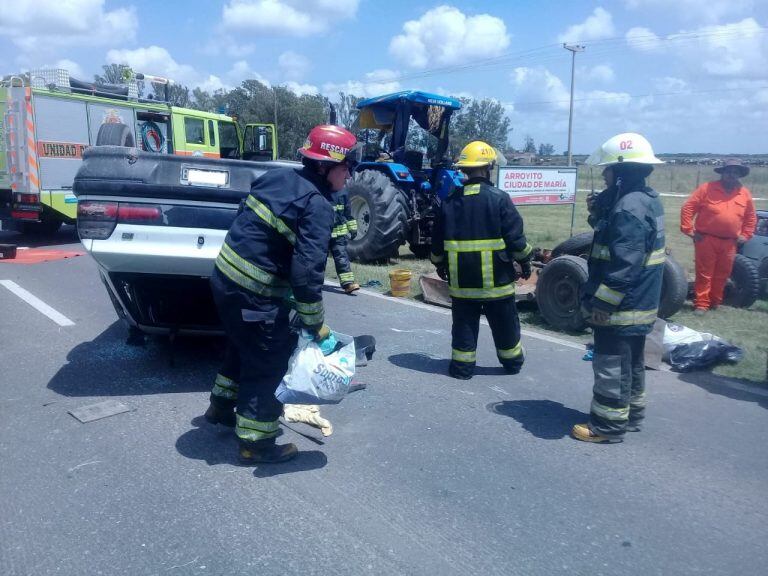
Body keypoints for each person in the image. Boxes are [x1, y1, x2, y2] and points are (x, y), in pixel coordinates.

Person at [204, 124, 360, 464]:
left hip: (225, 281)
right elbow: (307, 275)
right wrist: (315, 325)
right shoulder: (318, 206)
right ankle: (255, 444)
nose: (349, 175)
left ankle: (220, 407)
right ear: (326, 165)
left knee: (242, 346)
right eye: (348, 166)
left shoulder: (276, 177)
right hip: (255, 294)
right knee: (268, 362)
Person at [572, 132, 665, 444]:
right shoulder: (645, 200)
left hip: (622, 305)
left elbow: (624, 263)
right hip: (641, 302)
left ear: (621, 172)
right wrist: (600, 209)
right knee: (632, 361)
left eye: (607, 170)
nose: (603, 175)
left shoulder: (628, 208)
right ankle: (631, 415)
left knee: (611, 363)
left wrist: (603, 304)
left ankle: (607, 426)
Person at [430, 141, 532, 380]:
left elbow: (437, 245)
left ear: (465, 169)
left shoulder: (450, 201)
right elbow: (516, 239)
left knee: (464, 326)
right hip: (497, 285)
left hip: (463, 284)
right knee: (505, 325)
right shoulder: (499, 198)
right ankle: (512, 363)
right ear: (489, 167)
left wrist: (440, 264)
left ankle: (462, 368)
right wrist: (525, 261)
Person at [680, 159, 756, 314]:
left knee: (723, 274)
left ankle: (715, 302)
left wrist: (746, 234)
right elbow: (688, 208)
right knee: (704, 273)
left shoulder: (744, 194)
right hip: (706, 239)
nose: (731, 174)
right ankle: (701, 304)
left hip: (730, 242)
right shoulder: (707, 188)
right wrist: (689, 230)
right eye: (729, 171)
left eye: (735, 172)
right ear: (723, 173)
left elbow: (751, 217)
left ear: (739, 175)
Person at [329, 187, 360, 294]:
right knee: (319, 259)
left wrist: (353, 228)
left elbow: (348, 213)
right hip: (323, 234)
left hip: (339, 234)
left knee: (342, 258)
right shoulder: (320, 188)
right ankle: (314, 282)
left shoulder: (343, 192)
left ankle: (348, 284)